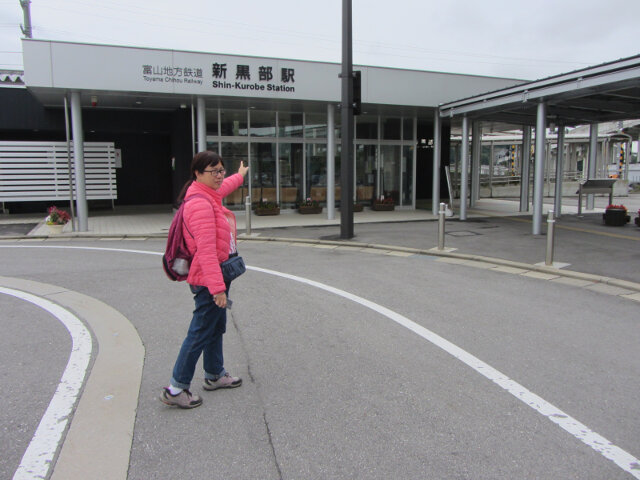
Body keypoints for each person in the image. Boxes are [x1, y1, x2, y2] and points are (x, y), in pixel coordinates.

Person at [161, 151, 249, 409]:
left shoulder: (209, 194)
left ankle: (214, 374)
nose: (220, 176)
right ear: (198, 174)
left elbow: (224, 187)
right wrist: (218, 289)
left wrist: (239, 176)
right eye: (215, 172)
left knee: (214, 326)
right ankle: (177, 388)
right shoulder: (200, 204)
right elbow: (206, 252)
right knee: (200, 331)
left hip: (215, 276)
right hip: (210, 278)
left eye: (222, 170)